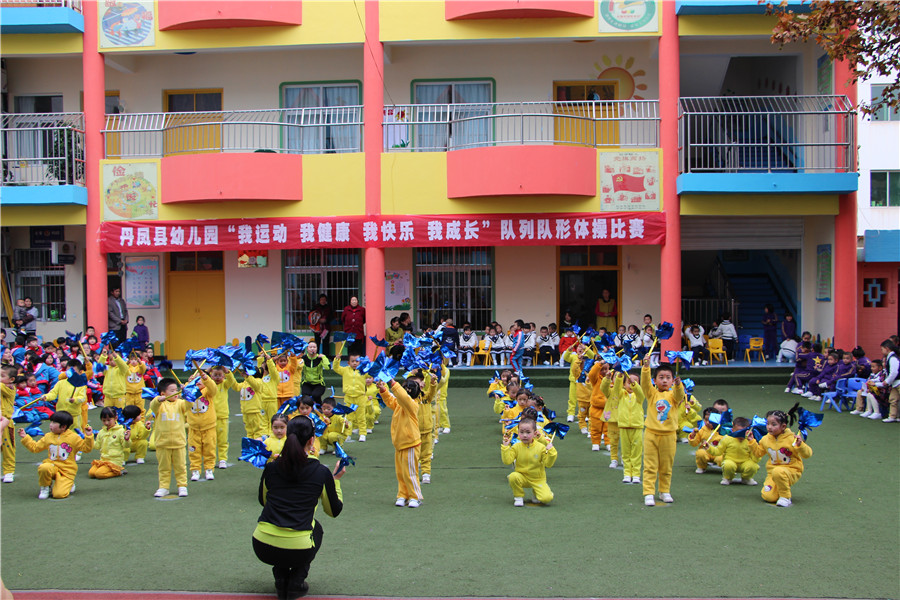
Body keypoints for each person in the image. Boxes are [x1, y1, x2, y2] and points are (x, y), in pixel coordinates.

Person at [252, 415, 345, 600]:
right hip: (299, 549)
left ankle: (280, 577)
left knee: (282, 527)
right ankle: (296, 579)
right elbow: (333, 511)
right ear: (312, 440)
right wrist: (335, 481)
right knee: (315, 528)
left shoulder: (271, 468)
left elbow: (263, 500)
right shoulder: (321, 472)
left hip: (262, 545)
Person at [640, 357, 686, 506]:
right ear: (655, 380)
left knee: (666, 466)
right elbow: (645, 384)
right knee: (650, 465)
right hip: (651, 434)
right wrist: (646, 367)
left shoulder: (673, 396)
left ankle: (664, 490)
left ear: (673, 380)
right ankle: (648, 492)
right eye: (661, 377)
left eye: (668, 378)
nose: (664, 381)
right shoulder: (652, 393)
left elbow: (680, 396)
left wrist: (679, 386)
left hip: (669, 435)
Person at [19, 411, 93, 499]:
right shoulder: (48, 436)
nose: (50, 424)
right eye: (51, 422)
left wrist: (89, 437)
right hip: (53, 466)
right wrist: (25, 437)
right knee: (44, 467)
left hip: (67, 470)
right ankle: (45, 487)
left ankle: (68, 483)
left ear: (63, 427)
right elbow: (35, 448)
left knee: (59, 495)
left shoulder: (73, 437)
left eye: (54, 422)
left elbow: (86, 449)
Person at [747, 409, 812, 507]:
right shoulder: (765, 439)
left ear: (783, 426)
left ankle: (785, 497)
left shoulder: (792, 438)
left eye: (773, 424)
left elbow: (807, 454)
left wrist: (800, 445)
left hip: (792, 470)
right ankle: (780, 490)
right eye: (768, 424)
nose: (769, 427)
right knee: (768, 497)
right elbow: (758, 453)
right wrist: (751, 441)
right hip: (772, 473)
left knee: (778, 472)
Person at [375, 377, 423, 508]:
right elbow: (391, 400)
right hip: (400, 444)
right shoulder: (400, 404)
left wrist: (392, 383)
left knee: (410, 472)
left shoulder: (412, 404)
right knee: (401, 472)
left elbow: (403, 397)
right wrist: (383, 390)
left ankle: (415, 496)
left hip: (411, 443)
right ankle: (403, 494)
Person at [147, 377, 192, 497]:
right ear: (163, 393)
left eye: (176, 390)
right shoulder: (160, 406)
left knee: (181, 467)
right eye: (171, 391)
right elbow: (153, 405)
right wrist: (158, 399)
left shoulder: (180, 404)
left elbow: (189, 404)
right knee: (164, 468)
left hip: (179, 443)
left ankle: (182, 486)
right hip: (162, 443)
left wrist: (186, 392)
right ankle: (163, 487)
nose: (175, 393)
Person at [501, 416, 557, 507]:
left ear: (535, 434)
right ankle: (518, 497)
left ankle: (536, 493)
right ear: (518, 433)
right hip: (522, 477)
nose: (525, 435)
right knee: (513, 476)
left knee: (547, 498)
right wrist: (505, 447)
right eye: (521, 432)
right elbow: (507, 461)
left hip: (537, 479)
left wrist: (551, 452)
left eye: (528, 432)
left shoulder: (541, 447)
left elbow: (548, 464)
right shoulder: (516, 447)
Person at [606, 371, 644, 484]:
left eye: (635, 382)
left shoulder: (639, 396)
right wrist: (618, 378)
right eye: (629, 382)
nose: (631, 384)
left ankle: (636, 474)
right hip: (623, 426)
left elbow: (641, 393)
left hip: (636, 427)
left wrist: (635, 385)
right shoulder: (621, 394)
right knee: (625, 452)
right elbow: (616, 390)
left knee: (636, 452)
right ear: (624, 384)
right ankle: (627, 473)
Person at [705, 417, 759, 486]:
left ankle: (746, 478)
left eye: (743, 432)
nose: (741, 435)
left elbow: (755, 455)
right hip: (731, 461)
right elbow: (718, 451)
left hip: (745, 462)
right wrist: (709, 448)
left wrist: (757, 456)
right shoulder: (727, 438)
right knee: (728, 465)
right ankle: (728, 478)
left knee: (753, 466)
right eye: (738, 432)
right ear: (733, 430)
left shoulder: (751, 441)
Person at [89, 407, 131, 479]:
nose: (106, 423)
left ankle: (119, 471)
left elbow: (126, 446)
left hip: (115, 461)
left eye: (109, 420)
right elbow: (97, 446)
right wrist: (89, 437)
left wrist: (127, 439)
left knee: (99, 474)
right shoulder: (102, 432)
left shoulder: (120, 431)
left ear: (115, 418)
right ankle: (115, 471)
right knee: (91, 473)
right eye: (104, 420)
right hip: (103, 460)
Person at [688, 407, 723, 474]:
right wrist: (693, 436)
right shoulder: (702, 430)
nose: (707, 422)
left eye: (710, 421)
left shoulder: (722, 430)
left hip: (719, 452)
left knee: (722, 458)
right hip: (706, 452)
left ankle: (726, 469)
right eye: (706, 420)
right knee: (700, 453)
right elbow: (694, 444)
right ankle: (701, 467)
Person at [1, 364, 17, 483]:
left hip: (5, 422)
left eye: (2, 376)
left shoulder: (9, 388)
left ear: (11, 379)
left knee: (8, 448)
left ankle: (9, 471)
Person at [879, 339, 899, 423]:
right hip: (895, 383)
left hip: (897, 382)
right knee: (893, 399)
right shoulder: (890, 357)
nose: (881, 351)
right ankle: (892, 416)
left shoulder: (892, 358)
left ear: (887, 348)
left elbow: (894, 372)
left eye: (882, 349)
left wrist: (887, 381)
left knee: (893, 400)